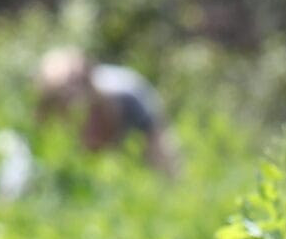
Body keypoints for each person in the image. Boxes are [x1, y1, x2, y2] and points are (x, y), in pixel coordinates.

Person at [33, 48, 179, 175]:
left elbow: (161, 150)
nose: (72, 100)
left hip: (137, 131)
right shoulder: (50, 109)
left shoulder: (129, 97)